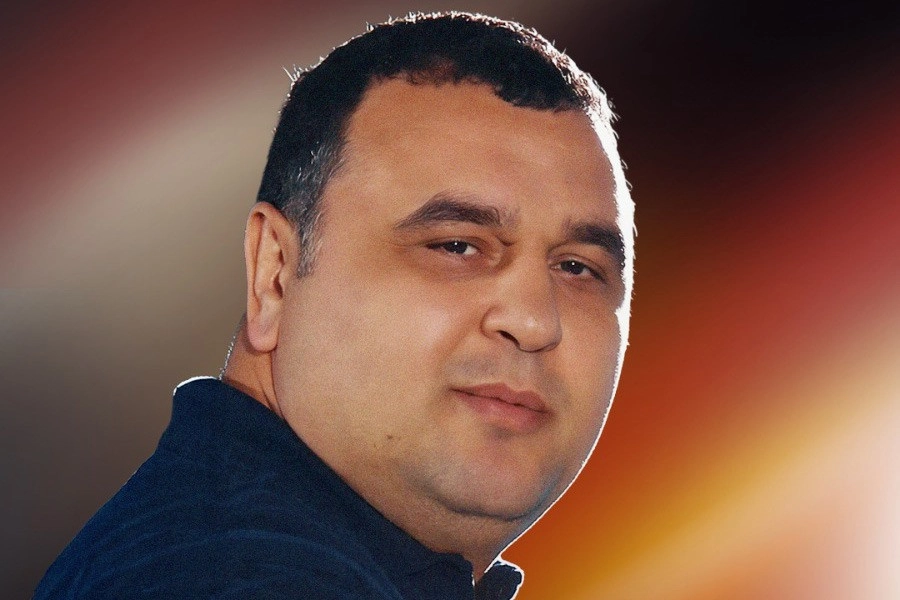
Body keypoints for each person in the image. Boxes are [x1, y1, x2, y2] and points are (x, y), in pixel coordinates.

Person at [34, 11, 634, 600]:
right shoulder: (233, 577)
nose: (534, 321)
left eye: (577, 267)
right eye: (456, 246)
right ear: (274, 274)